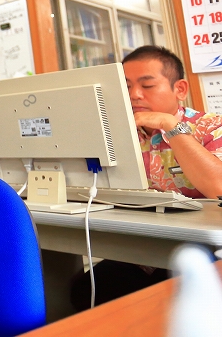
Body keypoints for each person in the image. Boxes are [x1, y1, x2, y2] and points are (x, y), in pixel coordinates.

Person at [71, 45, 222, 309]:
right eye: (126, 86)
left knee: (176, 301)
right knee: (86, 290)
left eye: (147, 85)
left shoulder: (210, 127)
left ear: (180, 89)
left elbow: (218, 188)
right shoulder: (118, 133)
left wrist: (170, 126)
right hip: (142, 246)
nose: (134, 95)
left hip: (201, 250)